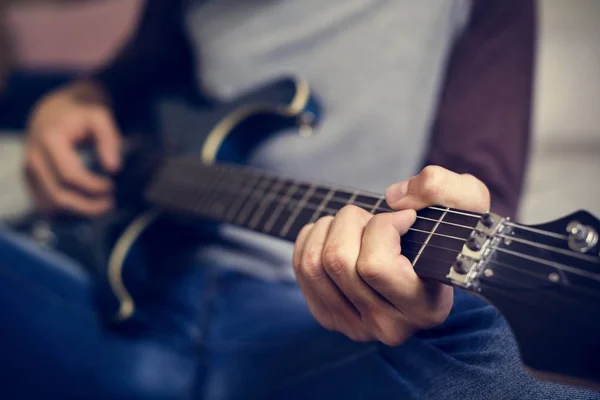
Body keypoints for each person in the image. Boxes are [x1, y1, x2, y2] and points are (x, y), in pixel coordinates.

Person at [1, 0, 597, 399]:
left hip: (318, 334)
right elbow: (133, 77)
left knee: (479, 347)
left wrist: (426, 286)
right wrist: (77, 97)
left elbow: (476, 181)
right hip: (118, 294)